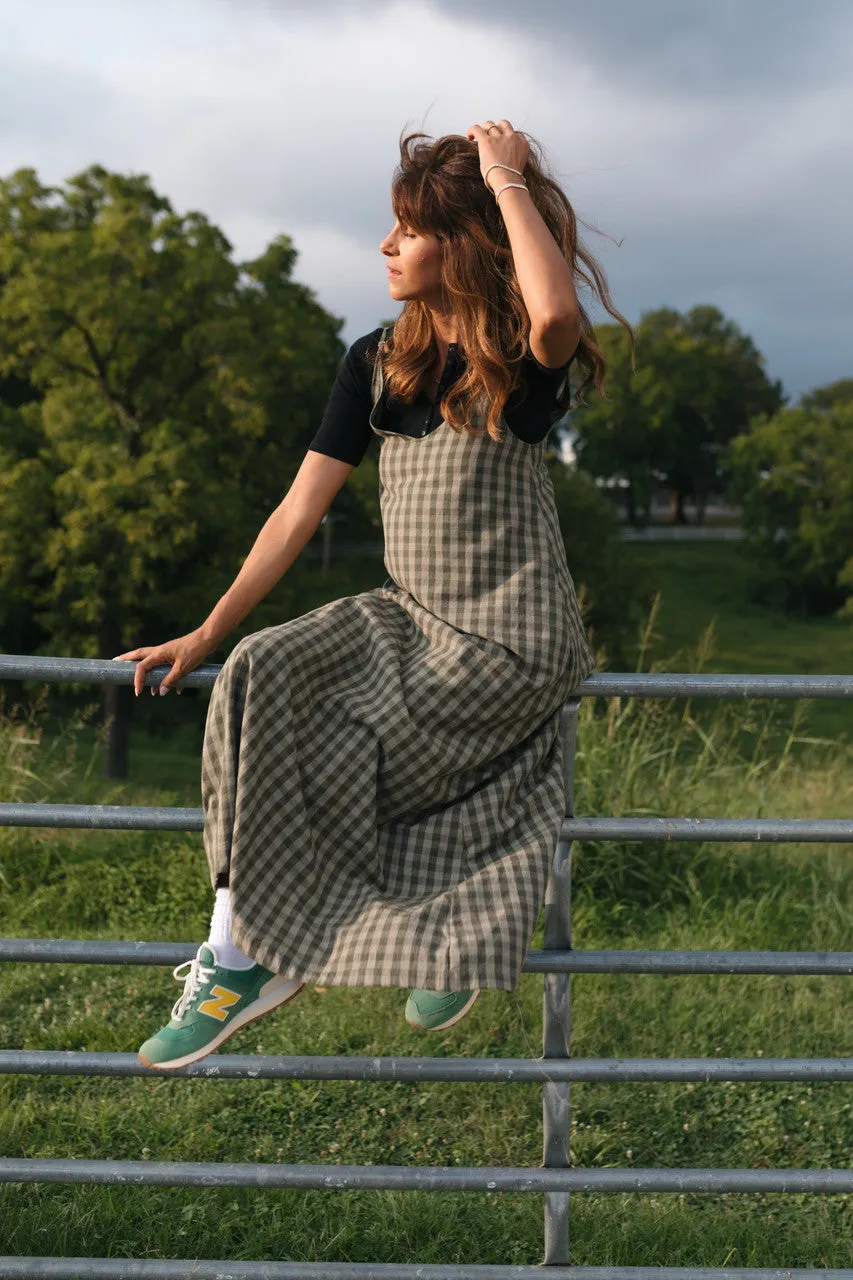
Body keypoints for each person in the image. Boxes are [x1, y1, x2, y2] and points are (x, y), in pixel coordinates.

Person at [113, 118, 634, 1071]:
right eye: (390, 227)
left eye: (410, 229)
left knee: (354, 733)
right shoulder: (374, 359)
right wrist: (210, 630)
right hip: (411, 619)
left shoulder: (515, 355)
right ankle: (239, 956)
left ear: (467, 243)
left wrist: (505, 177)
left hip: (508, 636)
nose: (387, 247)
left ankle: (450, 929)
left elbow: (557, 313)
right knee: (261, 671)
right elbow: (295, 512)